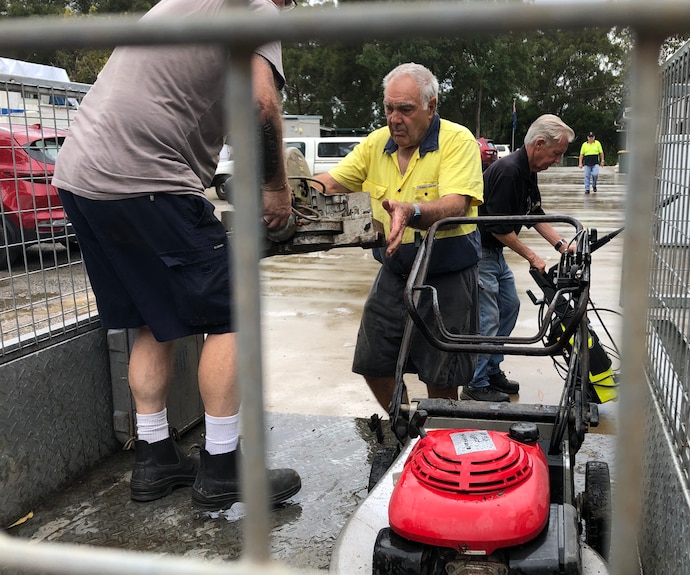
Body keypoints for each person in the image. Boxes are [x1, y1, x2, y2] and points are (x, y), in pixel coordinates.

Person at [52, 0, 301, 511]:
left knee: (152, 318)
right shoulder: (257, 7)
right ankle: (222, 466)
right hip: (147, 175)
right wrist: (276, 188)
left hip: (79, 176)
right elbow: (260, 105)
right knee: (235, 314)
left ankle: (154, 456)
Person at [313, 63, 484, 411]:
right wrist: (288, 193)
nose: (394, 118)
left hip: (447, 277)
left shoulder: (457, 140)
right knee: (372, 361)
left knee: (442, 375)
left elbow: (457, 204)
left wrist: (413, 212)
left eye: (405, 109)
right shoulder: (377, 143)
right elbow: (331, 182)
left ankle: (435, 440)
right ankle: (405, 422)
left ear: (431, 106)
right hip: (394, 272)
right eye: (389, 108)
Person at [461, 115, 576, 402]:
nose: (557, 160)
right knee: (488, 320)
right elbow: (499, 228)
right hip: (480, 253)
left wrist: (561, 244)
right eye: (557, 153)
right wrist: (533, 256)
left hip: (494, 253)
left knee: (509, 307)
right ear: (539, 144)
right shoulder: (510, 170)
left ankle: (491, 369)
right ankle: (475, 383)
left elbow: (533, 211)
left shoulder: (526, 169)